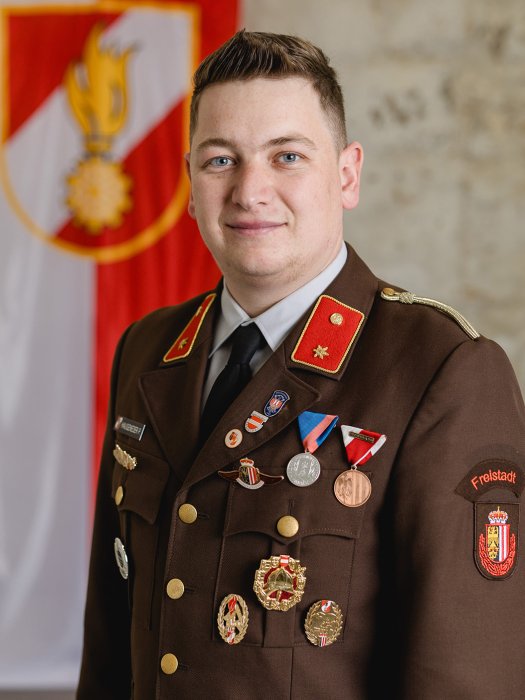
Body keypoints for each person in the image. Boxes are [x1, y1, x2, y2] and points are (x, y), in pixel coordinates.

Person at [77, 31, 525, 700]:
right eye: (221, 160)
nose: (250, 190)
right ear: (190, 183)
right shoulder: (149, 350)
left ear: (346, 175)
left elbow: (466, 676)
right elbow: (111, 649)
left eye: (287, 156)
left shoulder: (440, 369)